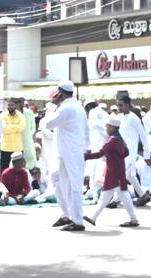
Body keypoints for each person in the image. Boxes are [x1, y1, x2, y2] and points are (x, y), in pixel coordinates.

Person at [81, 116, 140, 228]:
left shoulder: (113, 139)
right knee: (106, 194)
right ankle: (93, 217)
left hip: (115, 171)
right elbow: (126, 152)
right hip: (115, 170)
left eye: (107, 126)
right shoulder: (119, 138)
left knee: (123, 195)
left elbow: (101, 152)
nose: (106, 128)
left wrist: (86, 156)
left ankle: (133, 219)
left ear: (113, 127)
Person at [44, 81, 87, 230]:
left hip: (71, 153)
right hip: (66, 152)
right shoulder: (77, 107)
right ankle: (66, 215)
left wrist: (53, 106)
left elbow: (48, 124)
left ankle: (77, 221)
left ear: (60, 93)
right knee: (58, 181)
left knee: (74, 186)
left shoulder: (65, 108)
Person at [116, 94, 149, 204]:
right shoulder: (119, 117)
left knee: (120, 174)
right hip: (122, 151)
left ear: (127, 104)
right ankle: (143, 195)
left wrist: (147, 152)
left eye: (121, 105)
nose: (119, 108)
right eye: (118, 105)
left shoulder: (134, 118)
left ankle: (116, 199)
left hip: (131, 152)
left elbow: (143, 135)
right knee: (130, 176)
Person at [0, 99, 26, 171]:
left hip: (17, 147)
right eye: (9, 105)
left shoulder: (21, 116)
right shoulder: (3, 115)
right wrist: (15, 127)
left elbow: (22, 128)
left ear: (16, 106)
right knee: (4, 169)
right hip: (6, 147)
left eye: (12, 105)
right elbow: (4, 129)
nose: (10, 107)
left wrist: (10, 126)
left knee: (20, 168)